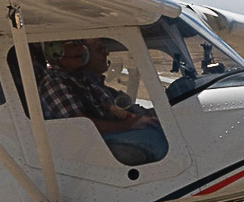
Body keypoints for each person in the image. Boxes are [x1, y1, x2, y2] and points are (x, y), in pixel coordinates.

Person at [38, 39, 168, 165]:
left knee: (158, 131)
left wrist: (137, 119)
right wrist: (128, 125)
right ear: (54, 50)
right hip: (86, 148)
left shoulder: (77, 78)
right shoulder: (54, 81)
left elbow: (108, 106)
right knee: (157, 141)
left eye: (81, 44)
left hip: (99, 139)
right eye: (74, 44)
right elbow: (80, 125)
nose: (81, 49)